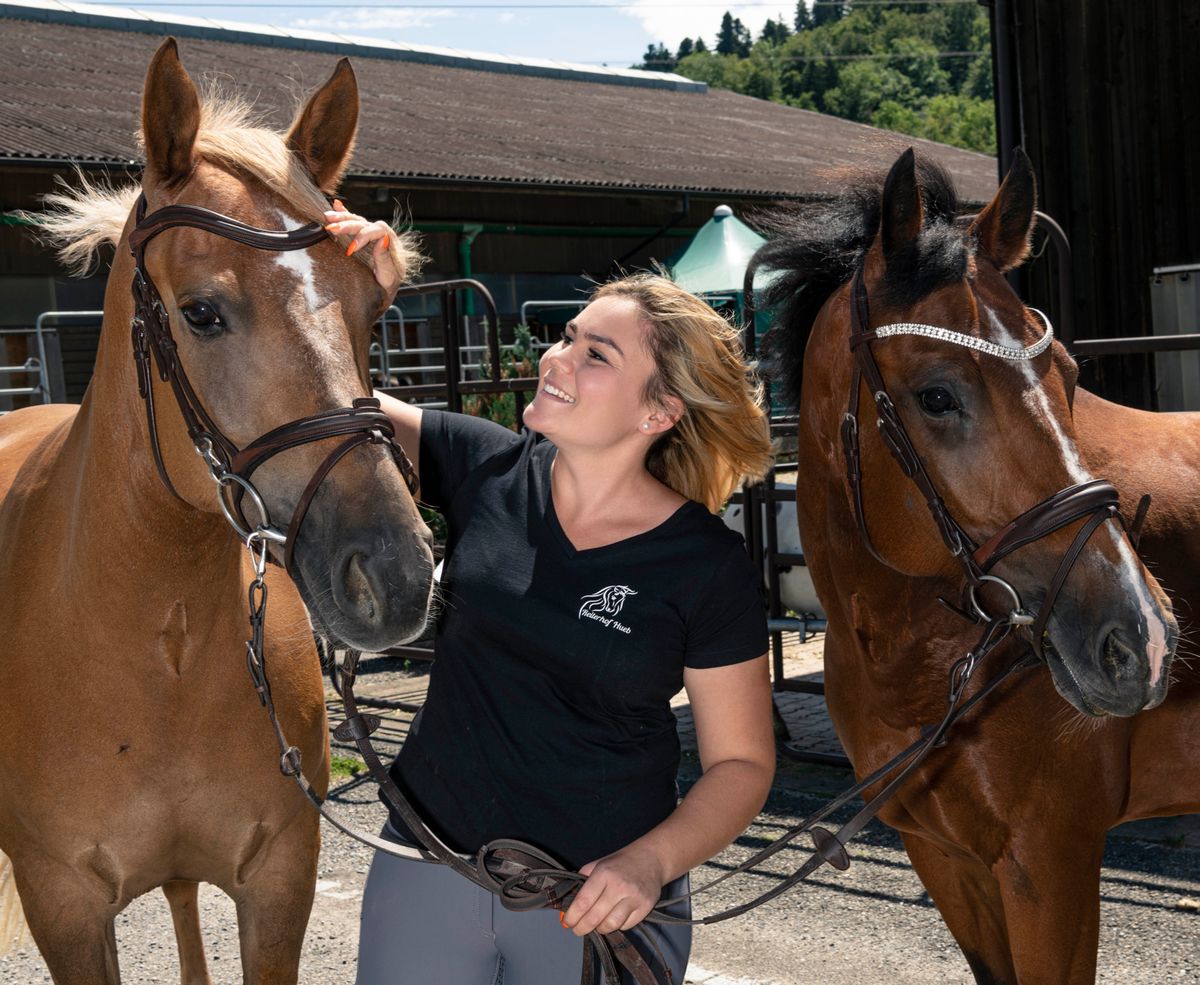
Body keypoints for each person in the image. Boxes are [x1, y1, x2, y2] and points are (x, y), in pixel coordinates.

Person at [326, 208, 776, 985]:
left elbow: (741, 761)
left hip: (597, 898)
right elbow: (333, 398)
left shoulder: (708, 564)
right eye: (566, 337)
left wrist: (649, 862)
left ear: (657, 412)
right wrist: (362, 292)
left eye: (593, 353)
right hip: (426, 862)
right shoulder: (485, 467)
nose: (554, 359)